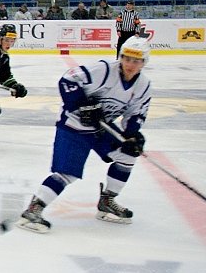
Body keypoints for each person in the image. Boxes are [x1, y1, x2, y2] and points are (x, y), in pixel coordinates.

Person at [17, 37, 152, 233]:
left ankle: (107, 201)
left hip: (101, 128)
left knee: (128, 154)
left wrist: (132, 135)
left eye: (136, 61)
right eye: (127, 58)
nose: (130, 64)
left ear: (144, 62)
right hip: (73, 126)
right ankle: (33, 210)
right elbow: (67, 80)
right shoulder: (104, 70)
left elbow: (136, 114)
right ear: (121, 57)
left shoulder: (143, 85)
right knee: (68, 173)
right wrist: (81, 104)